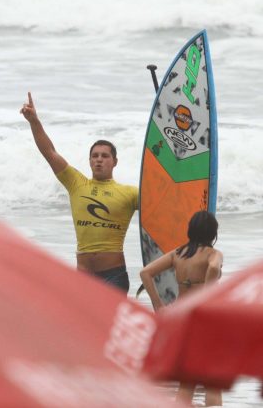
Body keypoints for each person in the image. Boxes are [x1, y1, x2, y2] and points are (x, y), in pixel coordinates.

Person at [20, 92, 138, 294]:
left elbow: (162, 207)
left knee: (106, 326)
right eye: (95, 156)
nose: (99, 159)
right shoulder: (76, 183)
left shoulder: (130, 193)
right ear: (90, 161)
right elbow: (50, 152)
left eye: (105, 156)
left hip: (114, 276)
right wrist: (34, 121)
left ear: (115, 162)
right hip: (82, 276)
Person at [140, 210, 223, 407]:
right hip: (204, 322)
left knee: (187, 382)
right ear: (213, 233)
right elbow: (213, 268)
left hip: (182, 322)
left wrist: (159, 305)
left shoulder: (178, 253)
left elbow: (145, 273)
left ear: (190, 231)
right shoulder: (213, 254)